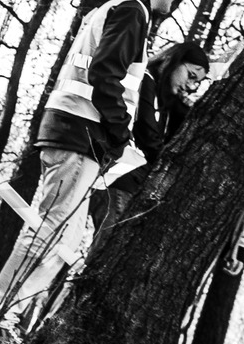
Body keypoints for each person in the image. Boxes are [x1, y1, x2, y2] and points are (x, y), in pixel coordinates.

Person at [0, 0, 186, 322]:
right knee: (50, 227)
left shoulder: (116, 7)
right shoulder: (132, 10)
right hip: (82, 133)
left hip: (74, 130)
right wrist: (119, 131)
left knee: (67, 236)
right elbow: (104, 73)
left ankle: (6, 315)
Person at [88, 38, 209, 243]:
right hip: (117, 180)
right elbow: (147, 134)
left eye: (197, 83)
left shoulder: (165, 103)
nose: (191, 86)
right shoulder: (144, 81)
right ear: (173, 60)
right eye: (191, 75)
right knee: (105, 245)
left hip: (128, 183)